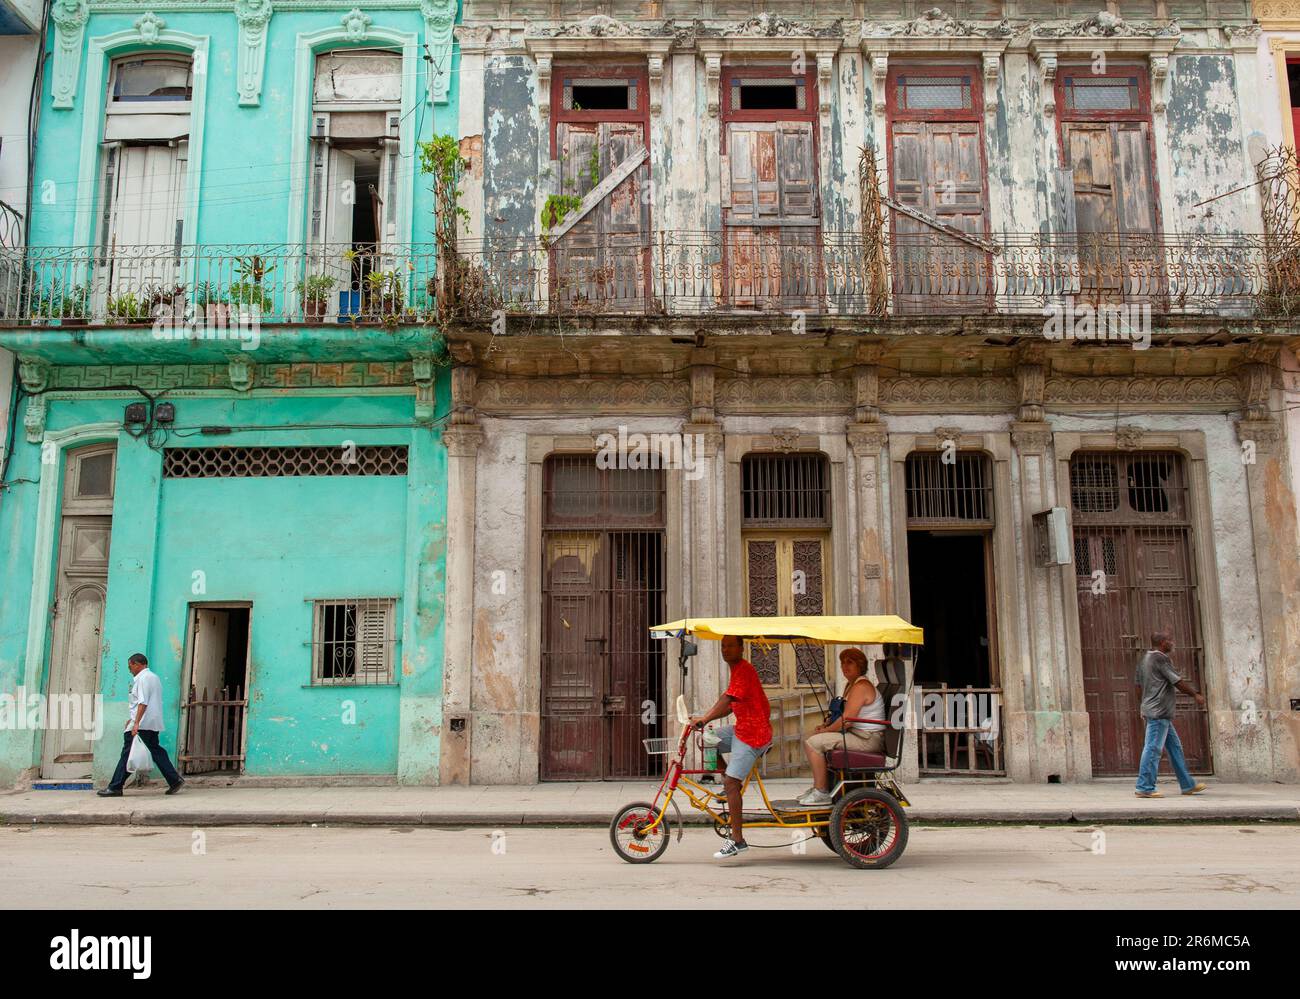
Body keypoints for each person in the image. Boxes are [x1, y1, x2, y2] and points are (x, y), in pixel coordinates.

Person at [689, 635, 772, 860]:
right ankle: (729, 783)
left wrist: (704, 718)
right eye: (723, 646)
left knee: (732, 782)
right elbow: (729, 706)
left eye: (730, 646)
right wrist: (704, 721)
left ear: (741, 648)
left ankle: (737, 840)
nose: (725, 650)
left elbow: (727, 699)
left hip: (754, 733)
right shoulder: (736, 670)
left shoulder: (744, 670)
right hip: (741, 729)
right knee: (708, 740)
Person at [797, 648, 885, 806]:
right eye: (842, 662)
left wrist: (825, 731)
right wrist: (826, 725)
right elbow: (841, 715)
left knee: (813, 743)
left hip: (867, 739)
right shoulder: (851, 685)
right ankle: (819, 787)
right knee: (810, 737)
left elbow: (847, 720)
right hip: (858, 735)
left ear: (860, 665)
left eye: (849, 662)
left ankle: (821, 791)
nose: (845, 666)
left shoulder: (861, 686)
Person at [97, 653, 185, 797]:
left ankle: (115, 786)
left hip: (142, 724)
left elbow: (142, 702)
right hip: (151, 723)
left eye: (130, 666)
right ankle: (174, 779)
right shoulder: (154, 678)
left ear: (136, 664)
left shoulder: (143, 679)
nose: (129, 669)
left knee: (127, 754)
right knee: (156, 750)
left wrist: (136, 722)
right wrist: (132, 719)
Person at [1134, 631, 1207, 799]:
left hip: (1156, 711)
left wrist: (1143, 705)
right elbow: (1177, 681)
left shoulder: (1144, 659)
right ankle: (1144, 786)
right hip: (1159, 712)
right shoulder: (1160, 658)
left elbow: (1137, 686)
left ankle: (1187, 785)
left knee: (1175, 748)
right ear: (1161, 643)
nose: (1172, 643)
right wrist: (1195, 695)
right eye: (1169, 640)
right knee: (1153, 749)